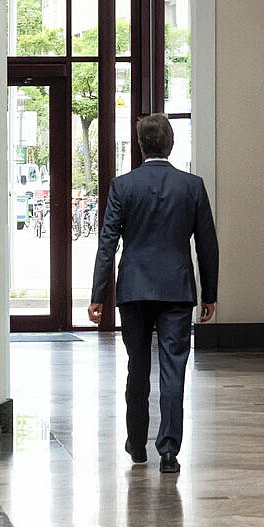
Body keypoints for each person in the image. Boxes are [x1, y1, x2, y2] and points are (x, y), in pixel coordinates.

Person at [88, 113, 220, 473]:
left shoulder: (123, 186)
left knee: (137, 365)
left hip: (134, 290)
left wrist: (98, 294)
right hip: (177, 290)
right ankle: (169, 450)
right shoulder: (192, 186)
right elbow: (207, 245)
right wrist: (209, 294)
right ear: (171, 144)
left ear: (141, 146)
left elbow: (108, 244)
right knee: (174, 368)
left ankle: (137, 443)